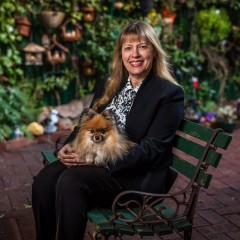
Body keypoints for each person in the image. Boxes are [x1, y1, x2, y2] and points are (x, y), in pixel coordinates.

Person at [32, 20, 184, 240]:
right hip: (94, 161)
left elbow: (152, 150)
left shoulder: (168, 94)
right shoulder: (110, 83)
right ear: (121, 53)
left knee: (71, 181)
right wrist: (68, 145)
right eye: (128, 48)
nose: (135, 54)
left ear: (154, 51)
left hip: (134, 175)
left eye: (142, 46)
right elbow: (87, 123)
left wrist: (98, 160)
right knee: (46, 179)